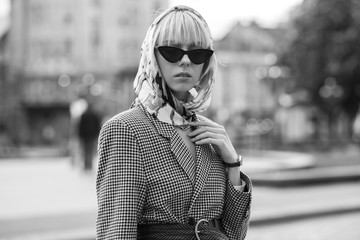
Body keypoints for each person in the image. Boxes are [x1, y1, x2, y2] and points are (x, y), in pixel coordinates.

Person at [96, 5, 252, 240]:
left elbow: (234, 234)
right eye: (172, 51)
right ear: (152, 54)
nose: (186, 61)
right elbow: (117, 233)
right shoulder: (126, 129)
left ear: (206, 63)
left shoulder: (210, 135)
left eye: (197, 53)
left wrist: (232, 163)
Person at [78, 101, 101, 171]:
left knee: (85, 150)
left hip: (85, 136)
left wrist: (80, 135)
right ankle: (89, 166)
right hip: (92, 135)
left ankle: (86, 166)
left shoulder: (84, 115)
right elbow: (98, 125)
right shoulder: (95, 115)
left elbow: (80, 126)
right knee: (90, 150)